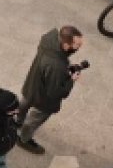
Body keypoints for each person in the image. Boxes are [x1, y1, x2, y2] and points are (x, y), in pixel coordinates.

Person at [16, 25, 83, 153]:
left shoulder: (48, 41)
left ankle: (17, 121)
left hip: (32, 84)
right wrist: (71, 80)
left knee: (24, 104)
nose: (79, 48)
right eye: (77, 45)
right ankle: (23, 139)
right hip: (44, 100)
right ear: (65, 44)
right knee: (34, 120)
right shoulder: (57, 66)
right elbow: (57, 93)